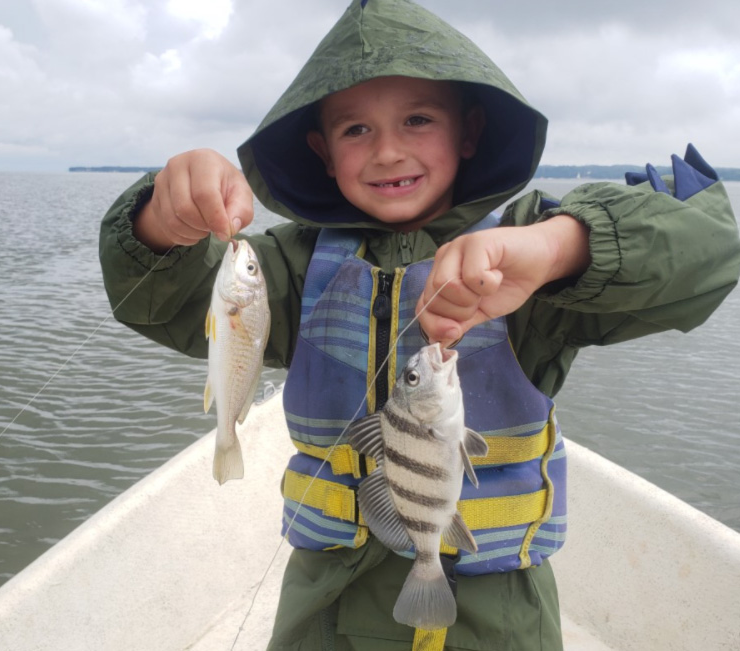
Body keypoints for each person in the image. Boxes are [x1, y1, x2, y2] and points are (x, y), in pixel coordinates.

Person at [99, 1, 740, 649]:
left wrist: (556, 248)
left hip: (498, 613)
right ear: (321, 151)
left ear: (470, 131)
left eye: (417, 119)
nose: (387, 150)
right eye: (355, 130)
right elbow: (174, 300)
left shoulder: (525, 257)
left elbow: (706, 249)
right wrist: (161, 222)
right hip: (326, 602)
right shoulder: (288, 269)